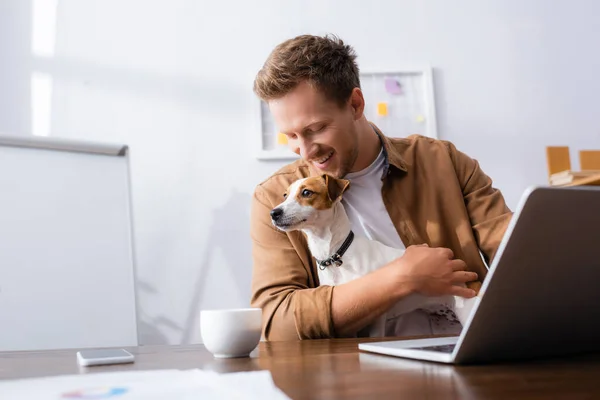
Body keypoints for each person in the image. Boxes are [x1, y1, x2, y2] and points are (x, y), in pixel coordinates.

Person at [249, 34, 512, 341]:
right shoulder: (274, 197)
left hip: (472, 355)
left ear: (356, 104)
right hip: (362, 380)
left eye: (315, 129)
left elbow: (517, 256)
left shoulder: (444, 162)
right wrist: (399, 278)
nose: (305, 151)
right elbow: (274, 321)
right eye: (291, 137)